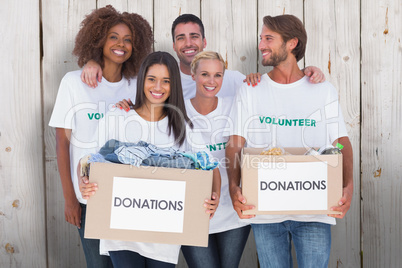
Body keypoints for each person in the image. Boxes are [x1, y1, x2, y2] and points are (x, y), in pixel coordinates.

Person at [225, 14, 353, 267]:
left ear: (292, 43)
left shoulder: (322, 89)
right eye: (261, 38)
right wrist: (233, 186)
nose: (261, 44)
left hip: (315, 210)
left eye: (269, 38)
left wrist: (348, 185)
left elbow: (340, 142)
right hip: (264, 212)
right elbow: (236, 143)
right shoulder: (251, 89)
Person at [79, 51, 221, 268]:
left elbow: (210, 166)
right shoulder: (117, 117)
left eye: (166, 81)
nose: (158, 87)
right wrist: (83, 181)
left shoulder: (183, 125)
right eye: (152, 79)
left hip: (164, 234)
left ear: (174, 85)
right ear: (142, 80)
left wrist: (215, 196)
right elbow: (88, 161)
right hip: (120, 232)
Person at [48, 5, 152, 268]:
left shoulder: (138, 85)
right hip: (89, 197)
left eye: (128, 39)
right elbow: (63, 144)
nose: (121, 44)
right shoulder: (74, 83)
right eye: (113, 37)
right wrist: (70, 199)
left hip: (128, 198)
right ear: (99, 40)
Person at [81, 14, 326, 99]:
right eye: (181, 38)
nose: (189, 43)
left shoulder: (231, 79)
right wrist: (92, 60)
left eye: (194, 36)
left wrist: (304, 72)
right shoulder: (158, 82)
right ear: (175, 46)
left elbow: (274, 85)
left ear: (204, 41)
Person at [180, 51, 251, 268]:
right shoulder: (178, 110)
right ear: (193, 75)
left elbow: (273, 89)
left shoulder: (234, 104)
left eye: (217, 75)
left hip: (232, 210)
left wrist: (306, 71)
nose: (212, 81)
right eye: (205, 74)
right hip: (193, 211)